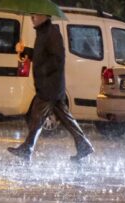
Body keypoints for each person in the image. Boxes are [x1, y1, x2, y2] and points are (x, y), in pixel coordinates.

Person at [7, 14, 94, 162]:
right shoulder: (42, 33)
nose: (31, 18)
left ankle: (27, 148)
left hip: (50, 85)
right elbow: (42, 56)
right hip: (48, 84)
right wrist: (26, 51)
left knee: (37, 116)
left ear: (44, 16)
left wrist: (42, 69)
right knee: (63, 118)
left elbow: (58, 58)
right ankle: (83, 144)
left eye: (35, 15)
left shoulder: (52, 32)